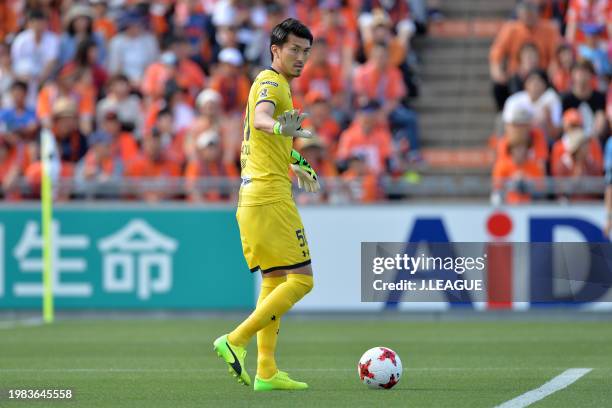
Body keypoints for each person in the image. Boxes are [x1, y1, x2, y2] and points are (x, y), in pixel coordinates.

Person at [213, 18, 318, 392]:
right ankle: (234, 340)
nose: (301, 57)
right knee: (302, 280)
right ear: (275, 50)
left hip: (253, 196)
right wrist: (279, 128)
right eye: (294, 49)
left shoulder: (274, 83)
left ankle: (267, 371)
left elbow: (270, 143)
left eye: (306, 51)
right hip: (269, 197)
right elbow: (261, 120)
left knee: (274, 280)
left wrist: (298, 161)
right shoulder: (272, 82)